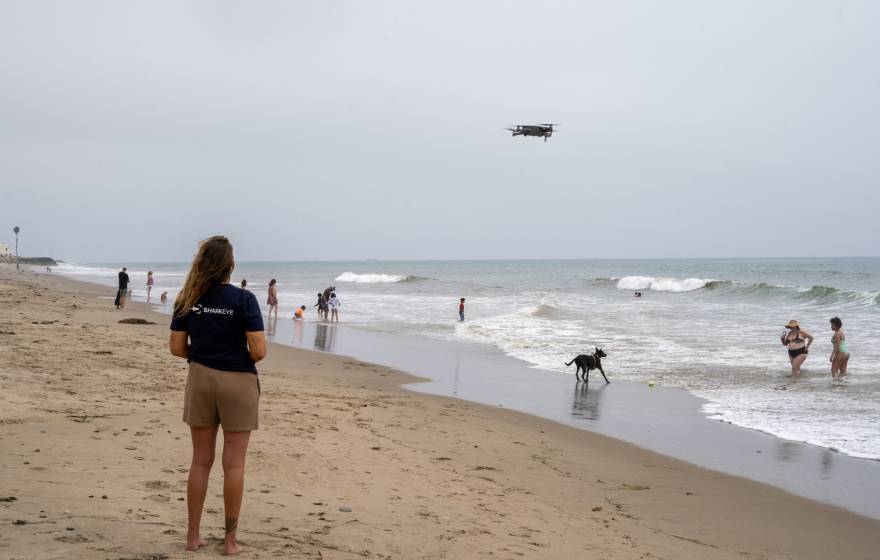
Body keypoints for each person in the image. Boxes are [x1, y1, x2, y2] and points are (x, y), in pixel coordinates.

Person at [168, 236, 267, 556]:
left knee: (200, 460)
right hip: (237, 381)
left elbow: (176, 348)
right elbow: (259, 350)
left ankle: (192, 537)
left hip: (200, 378)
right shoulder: (244, 299)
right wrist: (233, 360)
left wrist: (206, 358)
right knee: (234, 465)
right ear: (230, 265)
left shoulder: (187, 298)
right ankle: (229, 542)